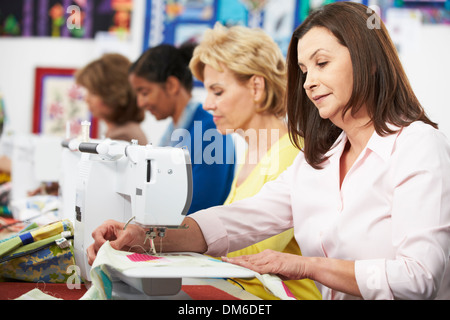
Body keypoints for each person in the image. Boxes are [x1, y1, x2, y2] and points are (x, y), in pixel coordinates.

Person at [87, 2, 450, 300]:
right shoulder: (318, 161)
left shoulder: (416, 145)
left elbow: (419, 277)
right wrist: (146, 235)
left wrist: (306, 266)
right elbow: (234, 222)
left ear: (368, 60)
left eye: (321, 64)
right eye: (304, 70)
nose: (308, 82)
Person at [189, 23, 320, 300]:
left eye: (217, 91)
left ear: (256, 87)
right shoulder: (252, 151)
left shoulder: (292, 153)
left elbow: (255, 252)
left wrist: (172, 238)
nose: (207, 104)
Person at [128, 43, 235, 214]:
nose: (140, 103)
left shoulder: (209, 132)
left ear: (171, 85)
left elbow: (201, 206)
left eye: (145, 92)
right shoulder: (176, 131)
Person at [75, 53, 148, 145]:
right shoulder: (120, 131)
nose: (86, 99)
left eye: (93, 93)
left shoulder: (122, 137)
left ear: (113, 94)